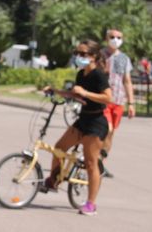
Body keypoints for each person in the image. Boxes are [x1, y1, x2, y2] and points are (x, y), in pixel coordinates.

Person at [41, 40, 112, 216]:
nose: (79, 57)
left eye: (83, 54)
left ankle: (91, 204)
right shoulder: (81, 74)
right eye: (77, 53)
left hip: (96, 123)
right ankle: (54, 180)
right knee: (59, 148)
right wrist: (56, 91)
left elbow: (107, 97)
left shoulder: (98, 75)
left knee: (90, 163)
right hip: (83, 119)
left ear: (94, 56)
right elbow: (75, 93)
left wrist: (86, 93)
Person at [101, 29, 135, 176]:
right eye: (112, 37)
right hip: (103, 99)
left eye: (118, 37)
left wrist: (131, 103)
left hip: (118, 101)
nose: (115, 39)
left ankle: (100, 162)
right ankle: (93, 159)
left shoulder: (124, 58)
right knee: (105, 129)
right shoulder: (100, 55)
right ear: (106, 38)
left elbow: (127, 81)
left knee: (111, 134)